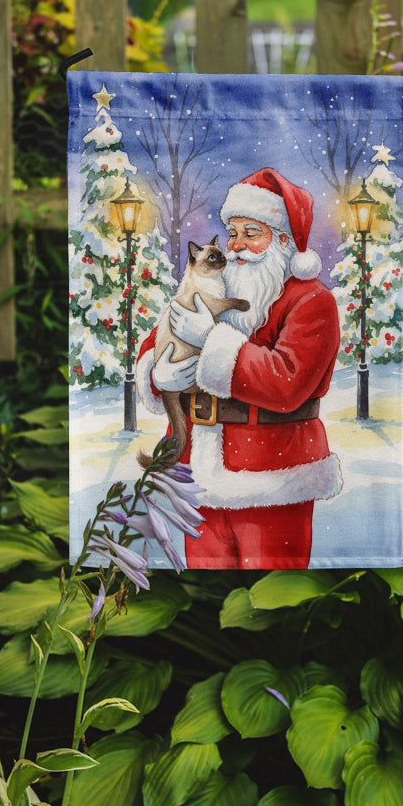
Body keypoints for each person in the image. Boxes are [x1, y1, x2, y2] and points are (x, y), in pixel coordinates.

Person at [136, 167, 342, 569]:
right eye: (233, 233)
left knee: (274, 588)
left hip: (272, 475)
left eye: (252, 233)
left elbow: (287, 382)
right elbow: (160, 337)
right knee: (203, 585)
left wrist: (211, 340)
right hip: (196, 468)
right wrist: (157, 373)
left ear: (283, 240)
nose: (237, 246)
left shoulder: (312, 301)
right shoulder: (215, 284)